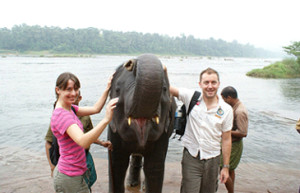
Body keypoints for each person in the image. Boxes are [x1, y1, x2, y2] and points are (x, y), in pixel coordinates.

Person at [50, 72, 118, 193]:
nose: (74, 93)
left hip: (73, 173)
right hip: (69, 177)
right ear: (58, 90)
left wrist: (107, 88)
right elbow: (83, 141)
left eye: (76, 89)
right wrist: (106, 120)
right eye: (68, 89)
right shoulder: (62, 115)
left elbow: (96, 109)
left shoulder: (69, 107)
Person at [169, 67, 233, 193]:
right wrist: (162, 70)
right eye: (206, 82)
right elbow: (167, 87)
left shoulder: (226, 110)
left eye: (213, 82)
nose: (210, 86)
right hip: (191, 156)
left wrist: (225, 167)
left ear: (218, 84)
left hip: (213, 159)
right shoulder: (191, 97)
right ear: (200, 84)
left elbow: (226, 139)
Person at [45, 91, 112, 178]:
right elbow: (48, 143)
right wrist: (52, 166)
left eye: (75, 96)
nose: (71, 98)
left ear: (80, 98)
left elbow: (90, 135)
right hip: (69, 160)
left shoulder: (84, 116)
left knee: (90, 179)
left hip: (84, 155)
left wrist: (101, 143)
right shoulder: (60, 117)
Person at [220, 86, 248, 193]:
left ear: (230, 97)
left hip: (234, 145)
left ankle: (231, 192)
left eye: (224, 99)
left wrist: (225, 131)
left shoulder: (240, 111)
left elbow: (243, 133)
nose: (224, 101)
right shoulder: (235, 107)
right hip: (232, 142)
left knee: (223, 168)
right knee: (230, 169)